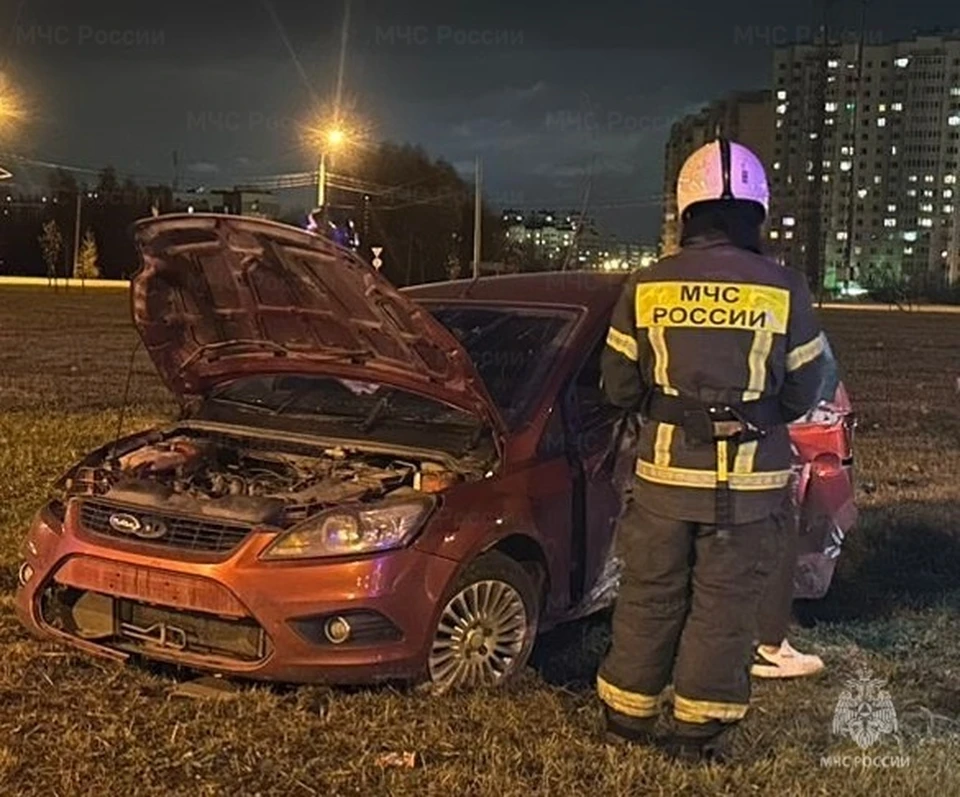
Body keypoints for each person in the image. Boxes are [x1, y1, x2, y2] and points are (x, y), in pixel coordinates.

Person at [596, 137, 828, 763]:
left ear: (685, 209)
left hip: (665, 478)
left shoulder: (645, 286)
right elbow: (811, 385)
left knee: (650, 590)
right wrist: (757, 416)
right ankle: (697, 729)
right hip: (749, 489)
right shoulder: (785, 288)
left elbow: (616, 384)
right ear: (757, 210)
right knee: (724, 602)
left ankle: (626, 715)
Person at [752, 336, 841, 679]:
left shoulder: (655, 292)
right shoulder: (779, 290)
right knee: (774, 533)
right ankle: (767, 646)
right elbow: (816, 376)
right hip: (755, 452)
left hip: (671, 452)